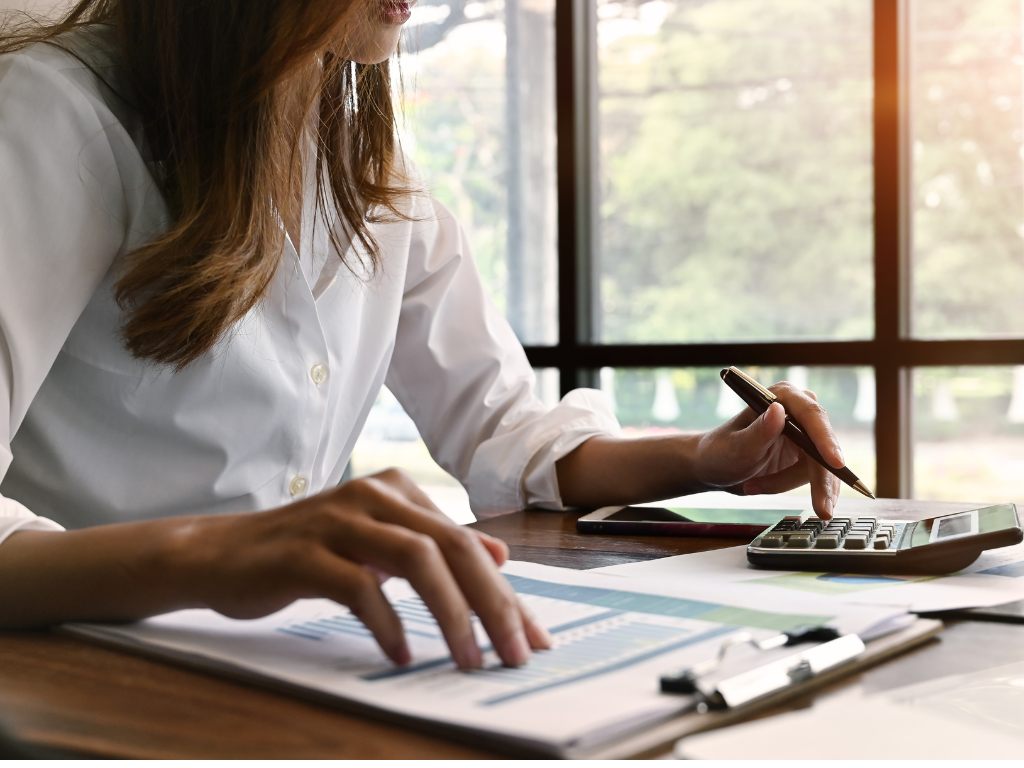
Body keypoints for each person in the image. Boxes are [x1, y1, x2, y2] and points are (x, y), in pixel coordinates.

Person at [0, 0, 846, 669]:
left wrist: (704, 457)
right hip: (79, 679)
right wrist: (218, 553)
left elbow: (507, 432)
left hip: (296, 665)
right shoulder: (51, 117)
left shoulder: (362, 160)